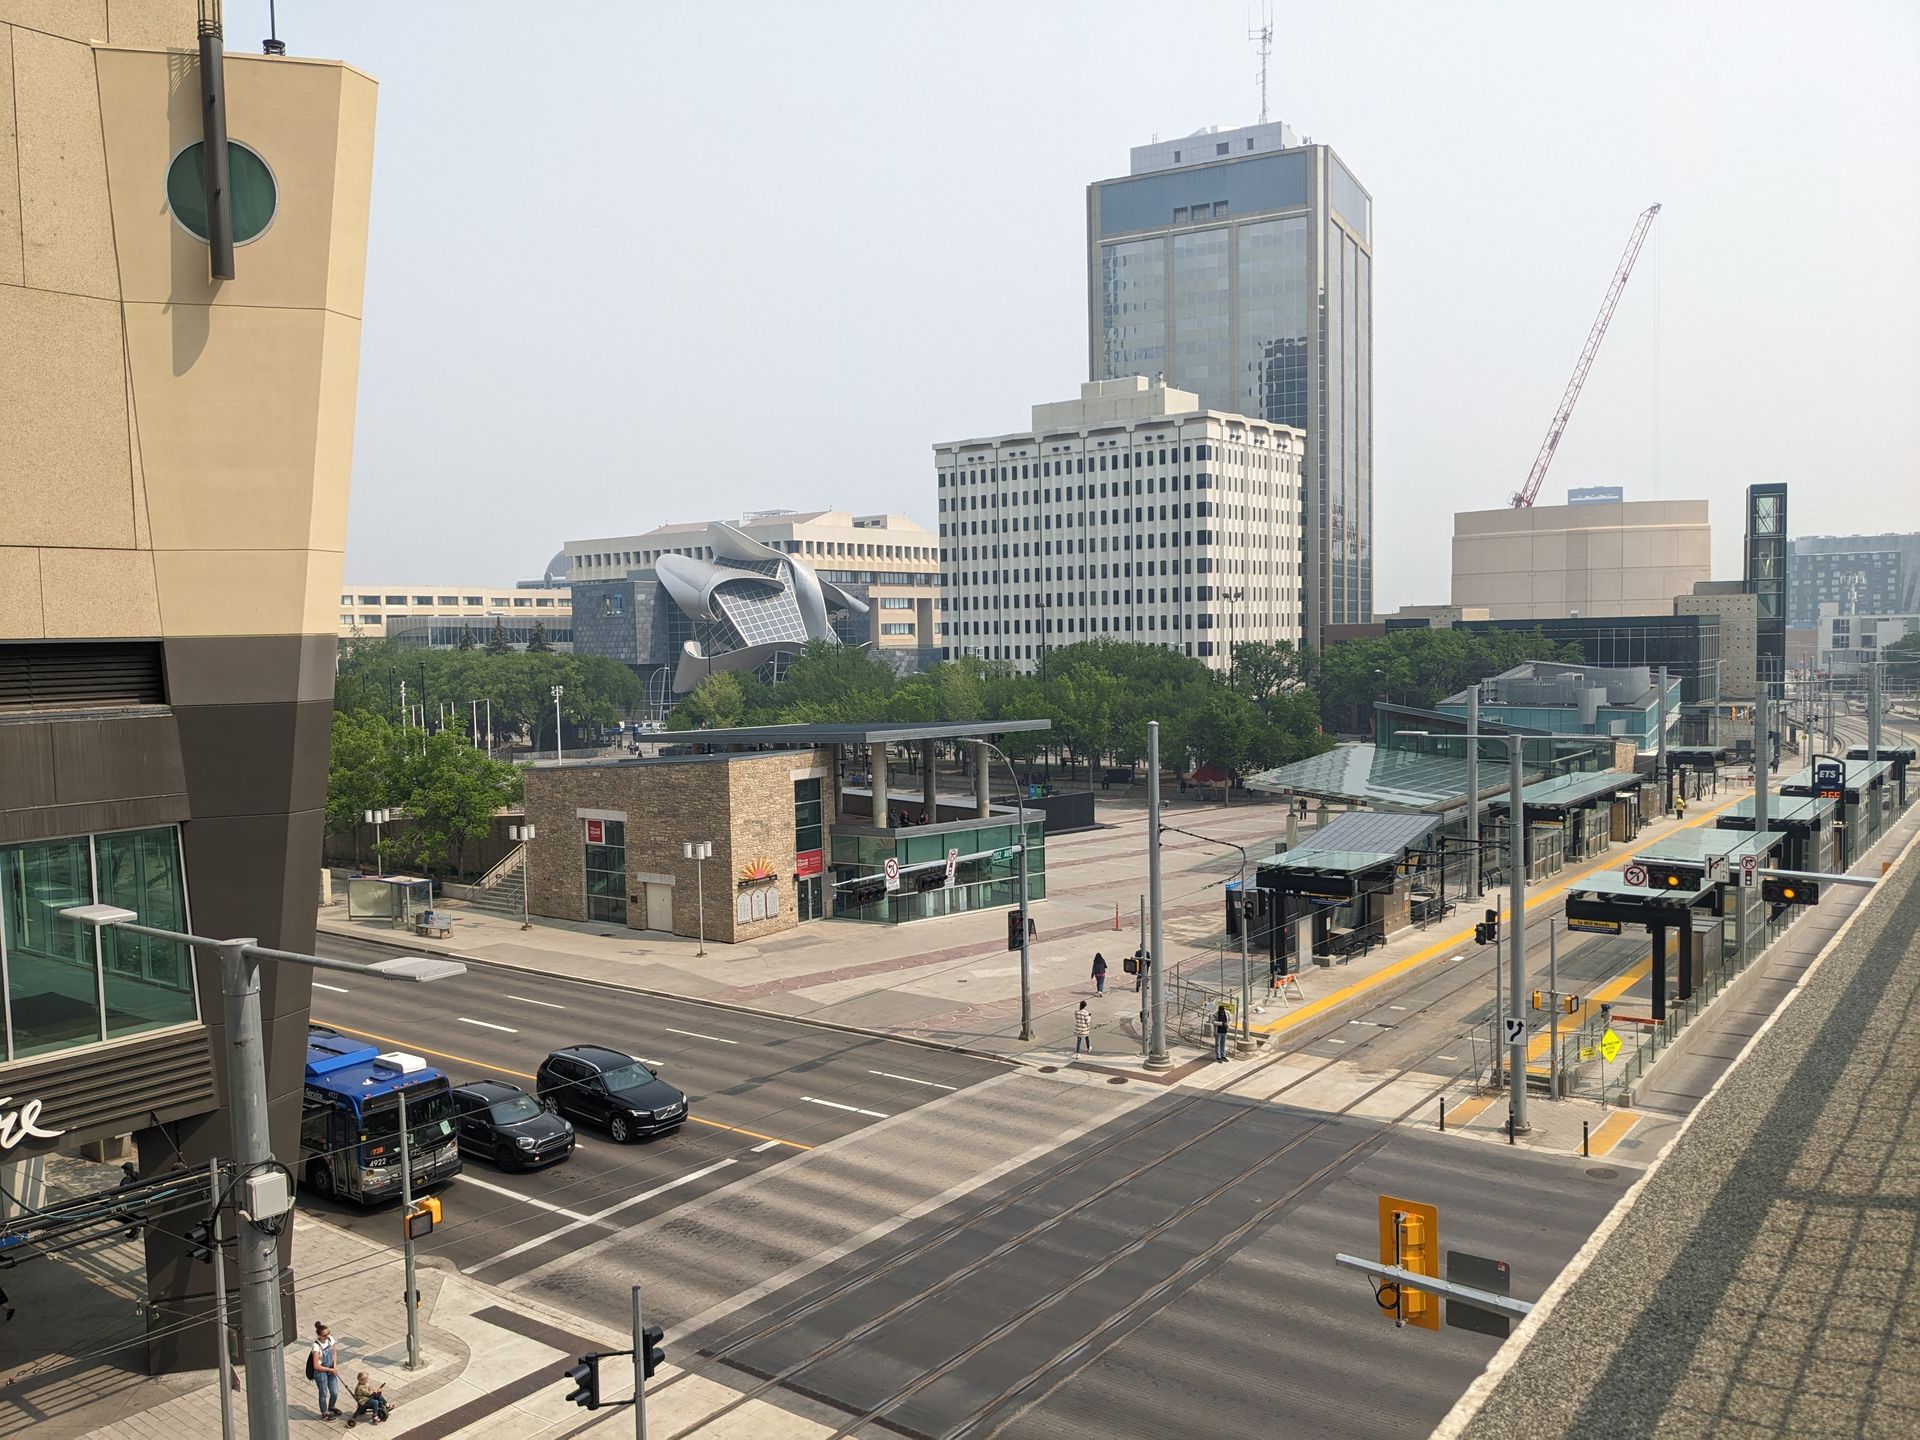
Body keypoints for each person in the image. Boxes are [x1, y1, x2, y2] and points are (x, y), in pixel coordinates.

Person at [309, 1321, 342, 1419]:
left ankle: (331, 1407)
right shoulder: (316, 1346)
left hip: (330, 1369)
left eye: (328, 1333)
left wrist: (334, 1365)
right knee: (323, 1393)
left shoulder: (331, 1339)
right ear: (319, 1335)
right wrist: (329, 1369)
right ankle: (324, 1413)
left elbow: (334, 1353)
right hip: (320, 1372)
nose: (327, 1336)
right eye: (324, 1335)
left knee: (335, 1391)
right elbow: (316, 1365)